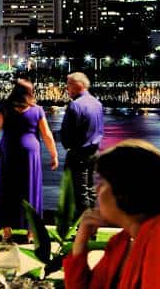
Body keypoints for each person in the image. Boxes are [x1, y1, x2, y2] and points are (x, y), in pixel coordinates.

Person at [64, 140, 160, 288]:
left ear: (124, 190)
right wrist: (81, 240)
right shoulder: (123, 241)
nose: (96, 189)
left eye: (103, 183)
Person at [0, 78, 58, 241]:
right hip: (30, 153)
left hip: (10, 151)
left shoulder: (5, 108)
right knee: (31, 188)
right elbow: (47, 135)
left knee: (7, 188)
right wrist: (54, 154)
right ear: (29, 93)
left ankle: (7, 230)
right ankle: (31, 232)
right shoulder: (38, 110)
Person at [60, 72, 104, 217]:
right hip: (94, 151)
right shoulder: (97, 103)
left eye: (69, 85)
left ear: (78, 85)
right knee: (90, 190)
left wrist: (66, 145)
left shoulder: (75, 106)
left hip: (79, 152)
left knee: (79, 192)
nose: (67, 88)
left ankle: (84, 228)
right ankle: (92, 228)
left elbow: (67, 132)